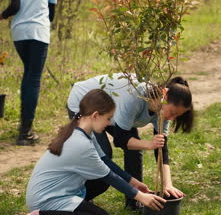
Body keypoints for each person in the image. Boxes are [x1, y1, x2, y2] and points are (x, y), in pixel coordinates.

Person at [26, 89, 166, 215]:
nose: (109, 123)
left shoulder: (83, 132)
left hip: (60, 195)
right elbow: (110, 176)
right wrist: (142, 197)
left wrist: (133, 182)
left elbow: (105, 161)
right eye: (108, 118)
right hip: (47, 201)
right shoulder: (81, 145)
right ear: (95, 115)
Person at [67, 73, 193, 211]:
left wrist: (167, 185)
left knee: (134, 149)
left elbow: (162, 148)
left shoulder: (162, 111)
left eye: (177, 116)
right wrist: (149, 144)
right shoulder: (134, 98)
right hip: (84, 101)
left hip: (114, 109)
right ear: (164, 95)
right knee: (102, 155)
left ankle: (134, 202)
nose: (172, 118)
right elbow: (120, 140)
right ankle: (76, 199)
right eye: (173, 112)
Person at [0, 0, 57, 146]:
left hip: (19, 33)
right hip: (39, 34)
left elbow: (15, 5)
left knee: (28, 74)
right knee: (33, 77)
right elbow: (51, 14)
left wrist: (0, 16)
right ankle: (25, 132)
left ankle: (24, 128)